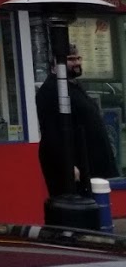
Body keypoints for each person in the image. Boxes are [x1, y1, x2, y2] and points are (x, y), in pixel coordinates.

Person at [36, 51, 118, 198]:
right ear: (55, 62)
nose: (77, 62)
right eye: (71, 59)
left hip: (91, 163)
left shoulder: (74, 85)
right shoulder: (50, 90)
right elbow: (51, 132)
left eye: (79, 58)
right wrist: (68, 165)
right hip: (77, 168)